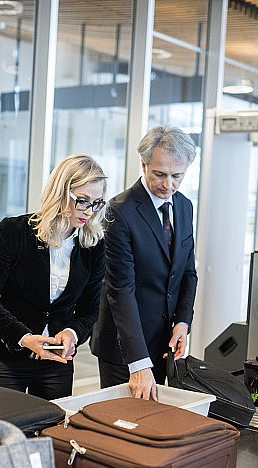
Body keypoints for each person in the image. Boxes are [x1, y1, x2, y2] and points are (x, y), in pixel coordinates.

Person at [0, 155, 106, 400]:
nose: (89, 211)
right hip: (6, 357)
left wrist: (72, 333)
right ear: (60, 193)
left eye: (96, 203)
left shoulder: (93, 245)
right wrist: (24, 338)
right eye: (82, 201)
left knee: (50, 433)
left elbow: (89, 309)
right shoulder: (14, 232)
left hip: (57, 361)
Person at [90, 125, 198, 400]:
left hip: (164, 341)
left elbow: (188, 271)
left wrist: (183, 321)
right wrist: (137, 362)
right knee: (121, 426)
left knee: (152, 423)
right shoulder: (120, 210)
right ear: (144, 164)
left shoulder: (184, 206)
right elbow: (120, 289)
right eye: (160, 174)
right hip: (124, 345)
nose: (168, 184)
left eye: (178, 176)